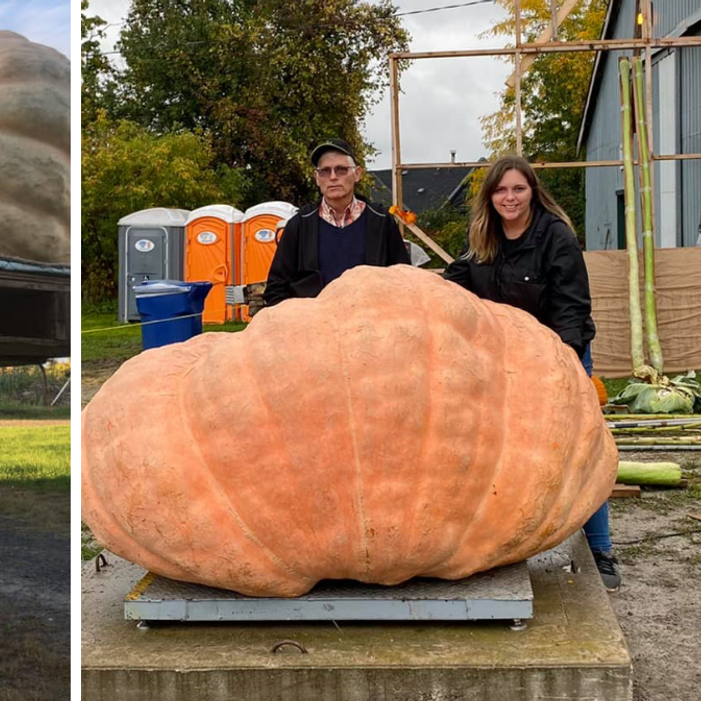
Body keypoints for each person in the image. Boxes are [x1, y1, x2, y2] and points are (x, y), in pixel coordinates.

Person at [442, 155, 620, 592]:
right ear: (491, 196)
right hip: (505, 363)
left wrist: (567, 367)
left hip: (561, 352)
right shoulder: (483, 237)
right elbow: (456, 281)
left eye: (518, 189)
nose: (509, 198)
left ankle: (601, 550)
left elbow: (573, 306)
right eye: (501, 190)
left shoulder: (555, 236)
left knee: (580, 451)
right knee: (508, 452)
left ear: (532, 192)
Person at [258, 138, 412, 311]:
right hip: (313, 328)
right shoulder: (300, 225)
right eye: (325, 171)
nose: (333, 177)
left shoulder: (381, 222)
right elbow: (276, 289)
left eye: (341, 170)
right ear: (317, 178)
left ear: (357, 174)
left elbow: (403, 281)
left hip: (370, 326)